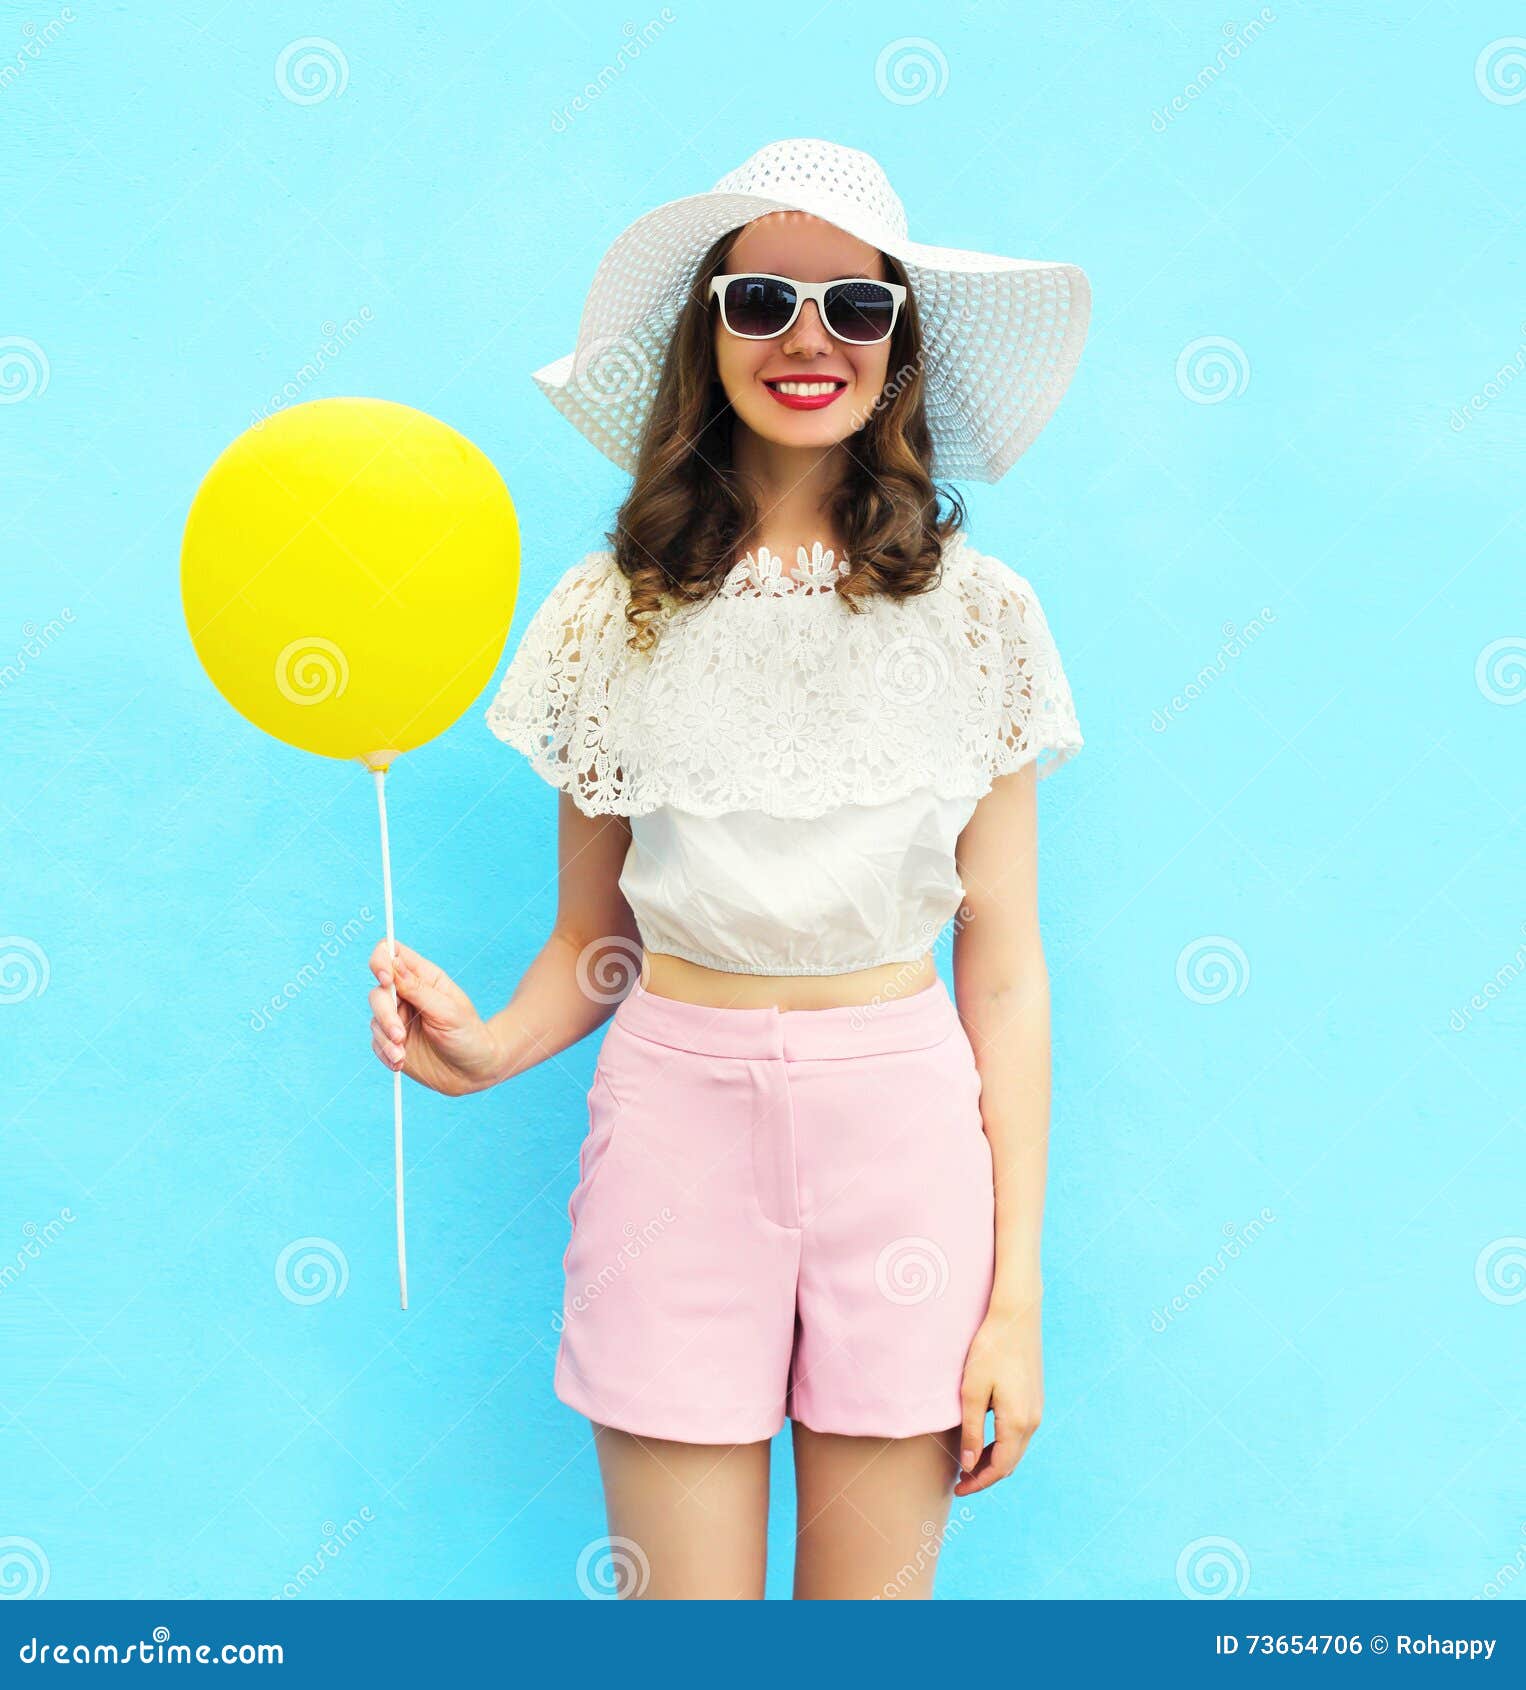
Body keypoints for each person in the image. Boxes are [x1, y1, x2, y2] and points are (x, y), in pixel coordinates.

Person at [366, 138, 1090, 1600]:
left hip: (903, 1136)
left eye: (853, 306)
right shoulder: (607, 611)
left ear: (897, 344)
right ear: (708, 333)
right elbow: (594, 938)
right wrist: (489, 1045)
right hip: (673, 1130)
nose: (807, 338)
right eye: (760, 299)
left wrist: (1012, 1299)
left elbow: (1001, 966)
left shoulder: (983, 617)